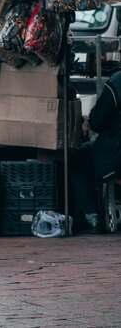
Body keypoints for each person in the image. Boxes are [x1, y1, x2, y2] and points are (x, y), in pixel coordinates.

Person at [71, 69, 121, 231]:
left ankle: (91, 215)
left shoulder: (118, 81)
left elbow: (97, 122)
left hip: (115, 153)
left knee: (76, 157)